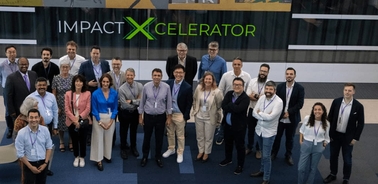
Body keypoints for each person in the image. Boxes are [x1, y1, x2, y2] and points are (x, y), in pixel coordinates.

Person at [323, 83, 365, 184]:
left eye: (350, 90)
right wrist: (328, 134)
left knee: (347, 159)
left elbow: (361, 123)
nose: (347, 92)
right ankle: (333, 174)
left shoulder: (358, 106)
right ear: (343, 91)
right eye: (346, 90)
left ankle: (346, 178)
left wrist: (355, 138)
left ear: (353, 92)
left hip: (348, 137)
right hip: (335, 135)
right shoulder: (336, 102)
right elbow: (330, 117)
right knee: (333, 156)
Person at [250, 81, 283, 184]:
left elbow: (271, 117)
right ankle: (262, 170)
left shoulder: (279, 102)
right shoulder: (262, 98)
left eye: (270, 89)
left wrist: (260, 113)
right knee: (262, 153)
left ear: (275, 90)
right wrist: (264, 114)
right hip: (259, 130)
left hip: (269, 133)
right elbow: (253, 112)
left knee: (266, 156)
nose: (268, 91)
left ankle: (266, 178)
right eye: (267, 89)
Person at [139, 68, 172, 168]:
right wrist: (140, 116)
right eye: (155, 75)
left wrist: (169, 116)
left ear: (161, 77)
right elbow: (142, 102)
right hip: (148, 116)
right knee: (147, 137)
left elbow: (169, 102)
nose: (156, 77)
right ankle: (145, 156)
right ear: (152, 76)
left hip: (161, 117)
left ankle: (158, 157)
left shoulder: (166, 87)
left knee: (159, 138)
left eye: (158, 75)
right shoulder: (146, 87)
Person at [272, 67, 305, 166]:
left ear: (295, 75)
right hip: (280, 117)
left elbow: (300, 104)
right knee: (277, 137)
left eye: (291, 74)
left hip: (292, 118)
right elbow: (276, 102)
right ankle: (274, 153)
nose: (289, 75)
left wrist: (289, 112)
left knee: (290, 138)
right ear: (285, 75)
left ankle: (288, 155)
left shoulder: (300, 88)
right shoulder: (280, 87)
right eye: (287, 74)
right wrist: (282, 113)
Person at [216, 57, 251, 145]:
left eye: (238, 64)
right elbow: (220, 89)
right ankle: (221, 135)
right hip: (227, 102)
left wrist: (239, 104)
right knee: (225, 121)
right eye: (235, 64)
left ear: (242, 65)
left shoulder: (247, 76)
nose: (236, 66)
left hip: (240, 104)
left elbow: (247, 90)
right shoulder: (226, 75)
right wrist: (224, 103)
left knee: (238, 123)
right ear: (232, 65)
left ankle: (236, 138)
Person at [162, 65, 193, 163]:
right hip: (170, 113)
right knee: (170, 132)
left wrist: (185, 116)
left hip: (180, 114)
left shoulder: (187, 87)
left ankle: (180, 152)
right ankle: (171, 149)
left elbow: (189, 103)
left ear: (184, 74)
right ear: (173, 73)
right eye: (176, 72)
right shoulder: (168, 83)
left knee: (180, 135)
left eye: (181, 72)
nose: (178, 74)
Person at [219, 77, 249, 175]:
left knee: (240, 147)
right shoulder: (229, 94)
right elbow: (223, 106)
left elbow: (238, 109)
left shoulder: (245, 98)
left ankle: (240, 165)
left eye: (239, 85)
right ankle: (228, 159)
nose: (236, 86)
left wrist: (230, 105)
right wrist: (233, 106)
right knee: (228, 144)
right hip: (228, 125)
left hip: (239, 127)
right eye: (235, 84)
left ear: (243, 86)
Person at [15, 109, 53, 184]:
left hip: (43, 163)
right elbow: (20, 154)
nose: (34, 120)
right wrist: (31, 167)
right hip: (29, 163)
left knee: (42, 182)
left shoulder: (45, 130)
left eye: (36, 117)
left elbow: (49, 147)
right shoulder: (21, 133)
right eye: (31, 117)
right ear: (27, 118)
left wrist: (45, 163)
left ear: (39, 118)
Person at [192, 71, 223, 163]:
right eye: (206, 79)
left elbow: (219, 105)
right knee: (200, 135)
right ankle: (201, 151)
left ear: (213, 80)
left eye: (210, 79)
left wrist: (218, 118)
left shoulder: (217, 92)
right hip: (199, 115)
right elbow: (195, 99)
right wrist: (195, 110)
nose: (208, 81)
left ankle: (206, 152)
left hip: (210, 117)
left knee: (208, 136)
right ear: (203, 80)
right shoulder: (199, 88)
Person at [13, 97, 45, 184]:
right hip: (25, 152)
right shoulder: (19, 121)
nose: (38, 108)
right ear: (29, 108)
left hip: (39, 149)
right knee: (27, 177)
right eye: (36, 106)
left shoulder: (40, 118)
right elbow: (16, 139)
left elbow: (44, 134)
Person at [90, 73, 118, 171]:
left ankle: (107, 155)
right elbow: (94, 109)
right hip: (99, 118)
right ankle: (99, 160)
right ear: (101, 82)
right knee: (98, 139)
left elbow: (115, 108)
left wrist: (111, 121)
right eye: (104, 81)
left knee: (109, 138)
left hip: (110, 118)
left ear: (110, 83)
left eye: (107, 82)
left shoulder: (114, 93)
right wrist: (100, 122)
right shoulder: (95, 94)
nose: (105, 83)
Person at [298, 102, 330, 184]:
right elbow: (301, 130)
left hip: (318, 147)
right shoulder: (307, 118)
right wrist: (301, 141)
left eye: (319, 109)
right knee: (301, 168)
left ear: (323, 111)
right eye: (315, 109)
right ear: (313, 111)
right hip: (306, 144)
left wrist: (324, 145)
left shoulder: (326, 123)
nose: (317, 111)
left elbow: (326, 137)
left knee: (313, 168)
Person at [5, 57, 37, 138]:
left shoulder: (34, 74)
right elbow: (8, 96)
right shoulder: (11, 78)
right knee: (20, 134)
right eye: (21, 64)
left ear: (28, 64)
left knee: (33, 132)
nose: (24, 66)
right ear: (18, 65)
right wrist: (11, 112)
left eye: (25, 64)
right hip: (18, 111)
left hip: (32, 110)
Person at [65, 74, 91, 168]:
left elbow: (88, 108)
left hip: (83, 120)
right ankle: (76, 156)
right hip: (71, 121)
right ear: (74, 82)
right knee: (74, 139)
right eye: (76, 81)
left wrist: (79, 118)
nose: (78, 83)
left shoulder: (87, 93)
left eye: (80, 81)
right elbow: (67, 109)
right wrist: (74, 120)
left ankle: (82, 156)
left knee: (83, 140)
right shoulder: (68, 93)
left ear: (83, 83)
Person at [245, 63, 271, 159]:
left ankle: (258, 149)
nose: (262, 73)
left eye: (264, 71)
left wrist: (255, 96)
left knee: (261, 131)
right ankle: (249, 146)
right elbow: (248, 94)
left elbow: (268, 97)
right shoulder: (252, 81)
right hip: (252, 110)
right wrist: (260, 97)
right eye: (261, 71)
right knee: (250, 130)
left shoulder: (269, 83)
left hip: (263, 112)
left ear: (268, 72)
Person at [118, 68, 143, 159]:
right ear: (125, 76)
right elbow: (124, 104)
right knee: (123, 131)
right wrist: (136, 101)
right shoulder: (121, 89)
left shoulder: (139, 86)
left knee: (134, 131)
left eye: (131, 75)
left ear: (134, 76)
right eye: (128, 75)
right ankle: (123, 148)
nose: (129, 77)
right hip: (124, 113)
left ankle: (133, 147)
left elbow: (142, 101)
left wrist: (132, 101)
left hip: (135, 113)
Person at [52, 59, 74, 152]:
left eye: (66, 66)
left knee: (71, 123)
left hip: (70, 104)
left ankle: (70, 141)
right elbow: (54, 94)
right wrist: (56, 107)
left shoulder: (73, 78)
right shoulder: (56, 78)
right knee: (61, 123)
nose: (65, 68)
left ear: (69, 68)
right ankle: (61, 141)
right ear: (60, 68)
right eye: (63, 67)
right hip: (60, 104)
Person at [0, 45, 18, 138]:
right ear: (6, 54)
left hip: (18, 90)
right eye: (9, 52)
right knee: (8, 110)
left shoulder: (19, 64)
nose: (12, 54)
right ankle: (10, 129)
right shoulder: (2, 65)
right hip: (7, 91)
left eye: (13, 52)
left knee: (18, 108)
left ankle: (18, 127)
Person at [108, 57, 126, 146]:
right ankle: (111, 141)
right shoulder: (107, 75)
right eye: (114, 64)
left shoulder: (125, 75)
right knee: (111, 123)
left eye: (118, 64)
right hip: (111, 104)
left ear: (121, 65)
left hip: (122, 104)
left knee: (123, 124)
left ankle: (123, 142)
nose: (116, 66)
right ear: (112, 65)